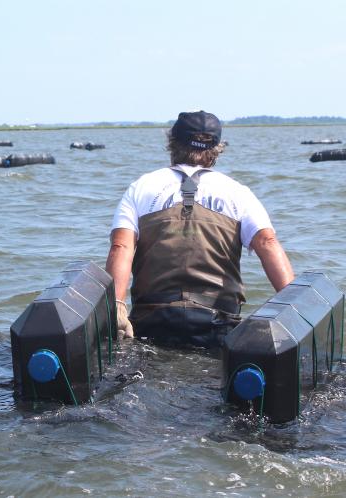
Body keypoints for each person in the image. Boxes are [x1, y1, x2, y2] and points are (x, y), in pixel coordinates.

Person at [105, 110, 295, 347]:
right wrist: (293, 306)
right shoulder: (237, 192)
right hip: (218, 323)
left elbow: (121, 245)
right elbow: (267, 242)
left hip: (152, 320)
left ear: (172, 143)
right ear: (216, 149)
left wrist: (117, 307)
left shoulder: (141, 187)